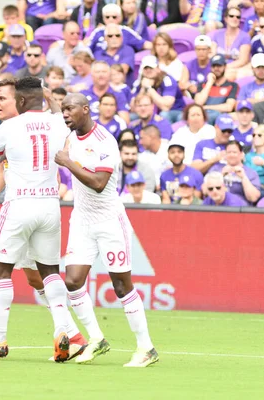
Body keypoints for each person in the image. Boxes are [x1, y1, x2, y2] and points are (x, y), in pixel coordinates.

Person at [0, 78, 87, 361]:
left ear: (20, 100)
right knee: (47, 273)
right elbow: (5, 170)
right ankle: (68, 334)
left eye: (2, 98)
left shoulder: (8, 128)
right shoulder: (57, 123)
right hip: (50, 206)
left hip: (19, 206)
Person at [56, 92, 159, 367]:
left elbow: (100, 182)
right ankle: (97, 338)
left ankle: (146, 347)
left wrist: (67, 162)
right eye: (63, 109)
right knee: (73, 281)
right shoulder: (70, 137)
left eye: (70, 109)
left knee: (121, 286)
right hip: (81, 219)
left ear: (86, 110)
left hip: (109, 220)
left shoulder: (105, 142)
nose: (65, 114)